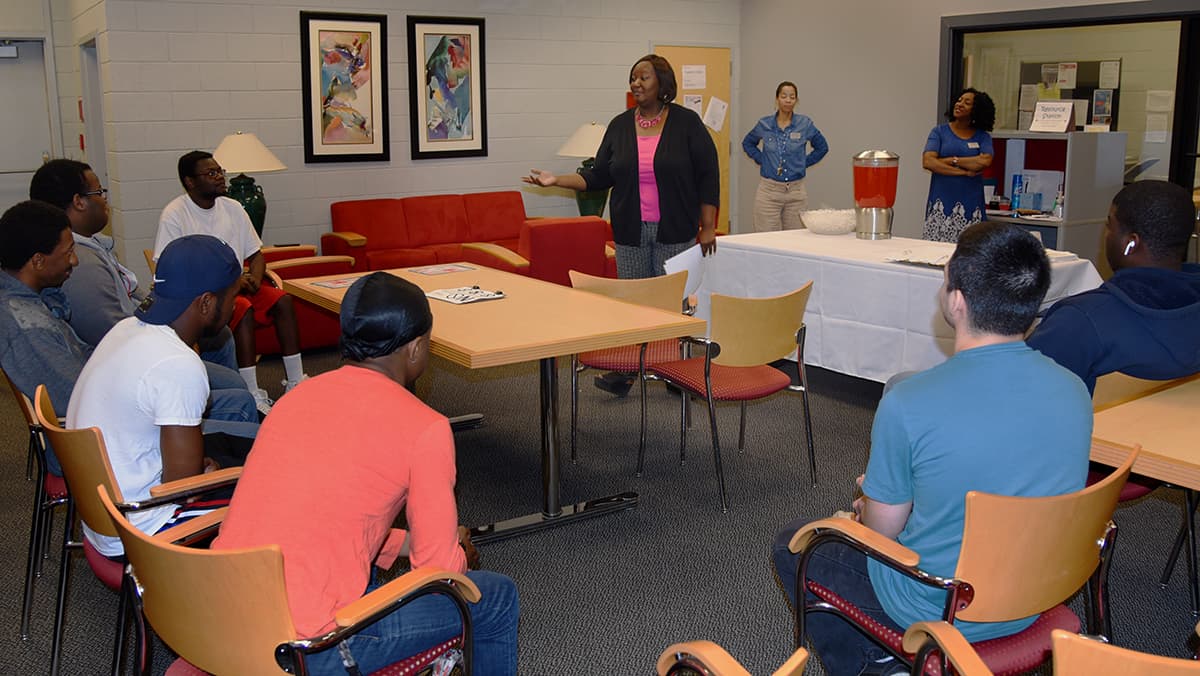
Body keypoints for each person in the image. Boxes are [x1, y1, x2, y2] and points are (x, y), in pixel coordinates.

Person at [771, 222, 1092, 675]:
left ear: (956, 301)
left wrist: (869, 504)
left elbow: (883, 534)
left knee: (794, 543)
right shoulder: (1074, 390)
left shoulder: (910, 402)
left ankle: (876, 665)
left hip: (938, 602)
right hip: (1037, 592)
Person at [213, 272, 519, 674]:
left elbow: (327, 513)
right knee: (496, 598)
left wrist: (404, 543)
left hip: (218, 618)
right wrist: (455, 550)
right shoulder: (425, 428)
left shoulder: (295, 399)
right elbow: (439, 574)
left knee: (368, 572)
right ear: (415, 348)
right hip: (306, 648)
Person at [29, 159, 257, 433]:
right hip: (134, 366)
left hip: (140, 347)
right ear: (79, 202)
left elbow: (137, 301)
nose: (105, 201)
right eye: (99, 193)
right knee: (236, 390)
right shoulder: (82, 264)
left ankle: (215, 418)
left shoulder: (91, 248)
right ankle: (224, 428)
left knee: (220, 337)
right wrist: (180, 343)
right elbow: (112, 331)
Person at [68, 235, 248, 557]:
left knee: (231, 455)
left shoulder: (125, 329)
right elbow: (181, 488)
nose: (236, 305)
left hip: (103, 515)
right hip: (144, 530)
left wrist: (199, 467)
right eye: (233, 296)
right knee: (275, 485)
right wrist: (205, 472)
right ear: (206, 303)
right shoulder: (178, 365)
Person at [523, 54, 719, 279]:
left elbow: (708, 177)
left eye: (643, 77)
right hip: (630, 232)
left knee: (673, 299)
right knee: (634, 301)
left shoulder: (687, 123)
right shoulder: (619, 126)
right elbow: (598, 176)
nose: (636, 83)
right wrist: (556, 180)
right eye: (632, 78)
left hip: (676, 230)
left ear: (662, 83)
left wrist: (708, 227)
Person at [155, 150, 308, 414]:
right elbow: (173, 267)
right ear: (190, 182)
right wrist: (235, 283)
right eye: (210, 173)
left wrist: (257, 280)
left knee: (283, 301)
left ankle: (296, 381)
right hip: (206, 295)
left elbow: (256, 255)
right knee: (242, 309)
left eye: (219, 172)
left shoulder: (233, 208)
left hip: (242, 285)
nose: (219, 178)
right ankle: (252, 391)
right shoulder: (175, 214)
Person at [1028, 180, 1200, 395]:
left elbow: (1019, 395)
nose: (1106, 234)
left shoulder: (1080, 321)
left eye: (1110, 225)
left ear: (1131, 243)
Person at [0, 201, 86, 475]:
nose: (74, 260)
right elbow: (74, 397)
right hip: (89, 446)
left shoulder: (33, 300)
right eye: (69, 251)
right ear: (37, 260)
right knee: (220, 421)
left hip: (97, 423)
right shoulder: (25, 324)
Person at [741, 81, 829, 232]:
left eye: (792, 97)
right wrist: (762, 160)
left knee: (794, 241)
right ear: (777, 99)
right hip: (769, 191)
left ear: (796, 101)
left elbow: (822, 147)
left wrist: (803, 163)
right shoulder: (765, 124)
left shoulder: (804, 124)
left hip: (796, 192)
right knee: (766, 240)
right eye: (784, 96)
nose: (788, 100)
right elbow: (748, 143)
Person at [921, 88, 995, 243]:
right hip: (941, 204)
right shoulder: (939, 132)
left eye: (967, 103)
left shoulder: (983, 137)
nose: (960, 104)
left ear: (976, 110)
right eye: (959, 100)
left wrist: (951, 160)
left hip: (971, 205)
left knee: (971, 253)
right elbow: (928, 162)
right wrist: (963, 172)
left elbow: (983, 162)